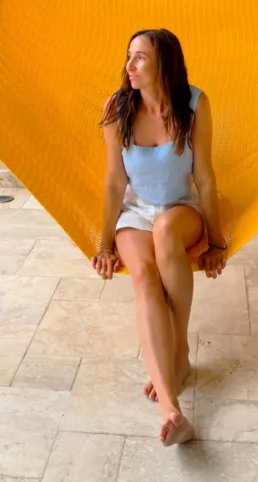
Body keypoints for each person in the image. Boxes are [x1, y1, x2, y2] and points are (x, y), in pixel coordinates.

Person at [90, 28, 228, 447]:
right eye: (129, 56)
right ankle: (171, 407)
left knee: (167, 230)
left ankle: (178, 352)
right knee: (144, 278)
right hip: (135, 210)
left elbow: (203, 175)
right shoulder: (117, 107)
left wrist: (217, 242)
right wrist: (103, 244)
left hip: (181, 207)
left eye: (141, 58)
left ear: (164, 63)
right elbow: (115, 182)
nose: (130, 66)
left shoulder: (194, 102)